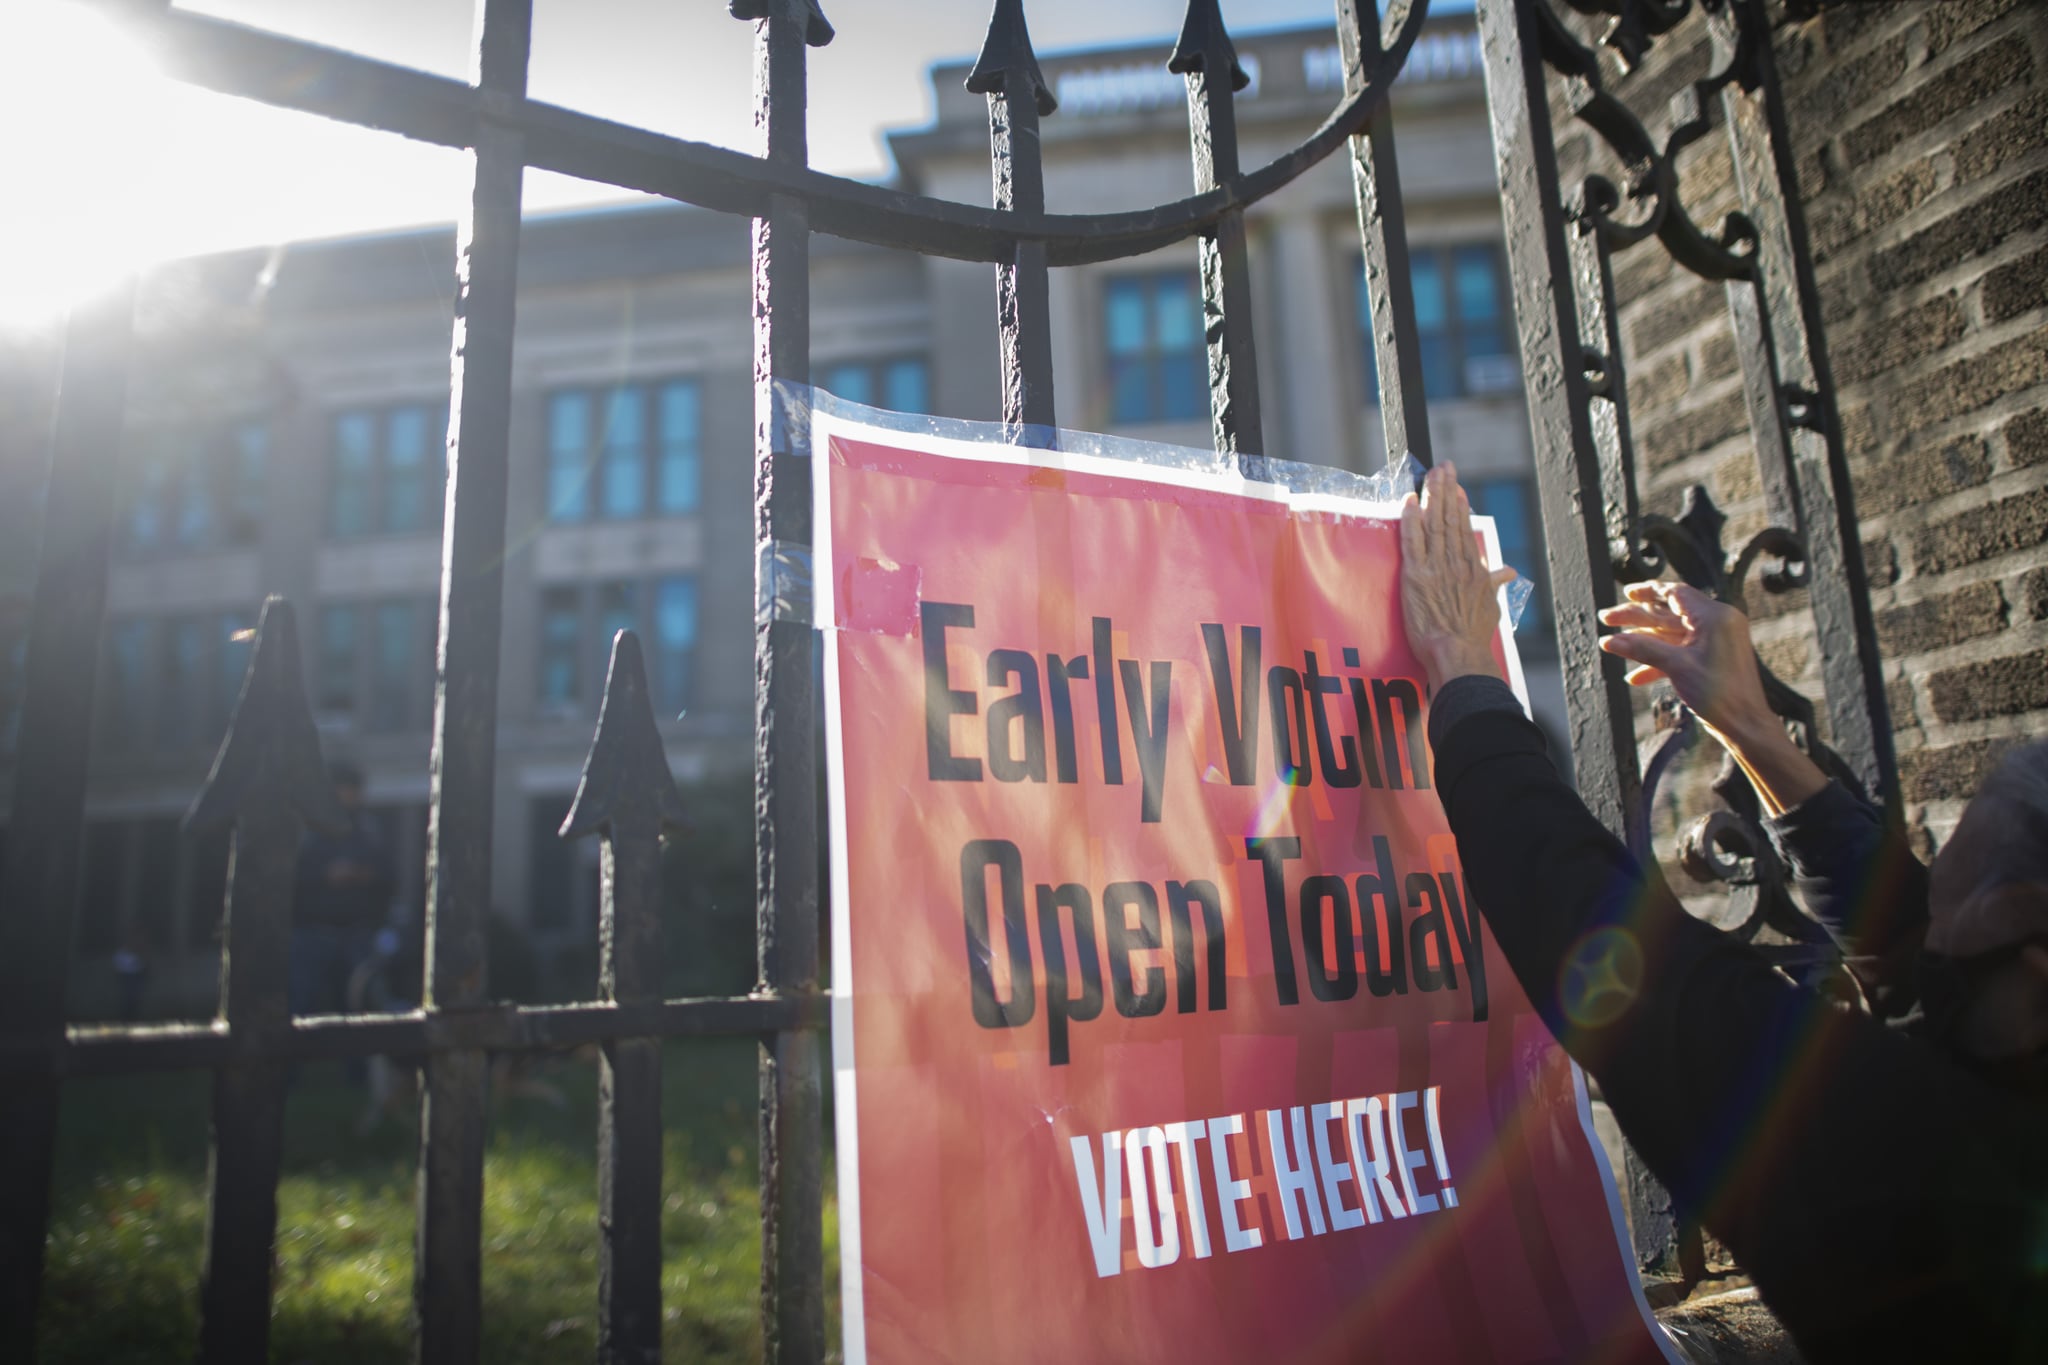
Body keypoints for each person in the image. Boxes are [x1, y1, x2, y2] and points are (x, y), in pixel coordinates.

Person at [1396, 462, 2048, 1363]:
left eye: (1959, 891)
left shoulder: (1953, 1173)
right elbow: (1914, 955)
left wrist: (1468, 678)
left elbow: (1643, 981)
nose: (1932, 908)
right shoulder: (2007, 1083)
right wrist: (1760, 735)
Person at [290, 761, 397, 1020]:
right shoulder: (308, 829)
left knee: (357, 1009)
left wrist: (363, 875)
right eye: (346, 789)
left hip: (357, 933)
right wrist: (325, 875)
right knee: (299, 1006)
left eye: (355, 790)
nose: (352, 796)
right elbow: (290, 875)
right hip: (312, 933)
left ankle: (357, 1061)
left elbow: (388, 874)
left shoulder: (369, 830)